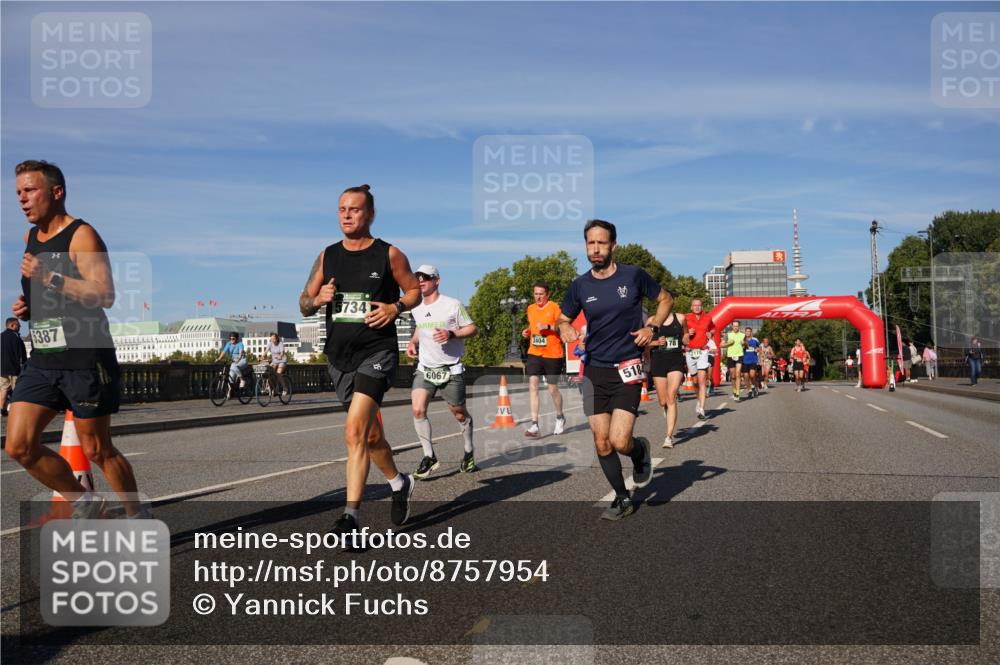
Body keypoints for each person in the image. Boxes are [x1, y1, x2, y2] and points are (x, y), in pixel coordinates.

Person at [6, 160, 147, 518]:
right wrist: (29, 306)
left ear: (57, 192)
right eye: (19, 192)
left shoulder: (82, 235)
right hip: (43, 356)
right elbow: (47, 293)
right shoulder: (30, 238)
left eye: (30, 190)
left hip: (85, 357)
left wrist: (49, 278)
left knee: (98, 449)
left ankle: (136, 514)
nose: (22, 199)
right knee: (18, 446)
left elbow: (105, 294)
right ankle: (84, 500)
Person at [299, 184, 421, 536]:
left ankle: (350, 517)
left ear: (370, 214)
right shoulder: (327, 256)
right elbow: (303, 303)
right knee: (369, 438)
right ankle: (399, 482)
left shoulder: (389, 254)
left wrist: (395, 307)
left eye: (354, 209)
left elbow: (413, 290)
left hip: (377, 353)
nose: (347, 215)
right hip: (340, 357)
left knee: (353, 431)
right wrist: (317, 299)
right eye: (341, 209)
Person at [557, 219, 672, 521]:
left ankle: (639, 452)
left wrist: (652, 326)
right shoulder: (580, 285)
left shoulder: (633, 276)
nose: (595, 249)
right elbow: (563, 318)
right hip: (594, 370)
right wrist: (566, 328)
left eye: (601, 243)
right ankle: (623, 498)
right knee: (601, 440)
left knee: (620, 441)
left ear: (613, 246)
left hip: (627, 368)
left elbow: (665, 299)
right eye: (590, 243)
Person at [406, 264, 479, 479]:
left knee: (459, 414)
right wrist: (413, 341)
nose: (421, 281)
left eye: (426, 278)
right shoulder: (416, 306)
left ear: (437, 280)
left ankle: (468, 451)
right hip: (425, 368)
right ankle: (429, 456)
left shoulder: (452, 305)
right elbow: (421, 326)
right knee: (418, 410)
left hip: (451, 369)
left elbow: (472, 328)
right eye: (418, 277)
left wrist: (451, 334)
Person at [521, 282, 566, 437]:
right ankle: (534, 424)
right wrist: (528, 331)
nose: (538, 296)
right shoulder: (530, 308)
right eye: (535, 293)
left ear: (547, 294)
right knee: (533, 384)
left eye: (541, 294)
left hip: (553, 353)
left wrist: (547, 326)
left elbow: (562, 327)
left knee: (552, 388)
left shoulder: (554, 307)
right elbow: (533, 325)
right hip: (534, 351)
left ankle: (560, 417)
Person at [647, 308, 688, 448]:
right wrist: (656, 342)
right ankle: (666, 408)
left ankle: (668, 437)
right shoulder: (652, 320)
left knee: (671, 397)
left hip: (676, 360)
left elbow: (686, 335)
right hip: (659, 361)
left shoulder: (681, 318)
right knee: (662, 401)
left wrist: (687, 337)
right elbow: (643, 343)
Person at [683, 298, 714, 420]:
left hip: (702, 351)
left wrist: (711, 334)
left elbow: (713, 328)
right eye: (695, 305)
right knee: (695, 382)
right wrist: (686, 333)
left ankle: (701, 409)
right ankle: (698, 400)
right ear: (691, 307)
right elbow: (680, 332)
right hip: (690, 352)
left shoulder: (707, 318)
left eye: (699, 305)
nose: (697, 307)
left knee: (702, 380)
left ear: (702, 307)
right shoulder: (685, 318)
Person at [1, 317, 27, 416]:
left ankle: (1, 410)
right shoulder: (16, 337)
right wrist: (23, 365)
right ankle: (15, 410)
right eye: (18, 325)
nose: (20, 327)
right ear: (12, 325)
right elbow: (20, 354)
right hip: (14, 369)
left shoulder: (1, 336)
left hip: (2, 369)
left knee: (3, 389)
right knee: (17, 390)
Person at [215, 332, 247, 397]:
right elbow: (223, 352)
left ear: (237, 339)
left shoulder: (240, 344)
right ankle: (230, 391)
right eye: (231, 338)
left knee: (234, 366)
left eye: (233, 339)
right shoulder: (228, 344)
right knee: (231, 377)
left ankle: (242, 380)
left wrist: (238, 359)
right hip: (234, 361)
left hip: (242, 360)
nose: (232, 340)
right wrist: (218, 359)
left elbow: (241, 353)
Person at [720, 320, 745, 401]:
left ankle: (737, 394)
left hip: (739, 355)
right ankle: (734, 390)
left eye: (737, 326)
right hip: (730, 356)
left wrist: (744, 344)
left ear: (739, 327)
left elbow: (746, 346)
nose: (735, 327)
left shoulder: (742, 335)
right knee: (733, 376)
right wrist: (728, 343)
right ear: (732, 326)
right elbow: (721, 345)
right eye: (734, 326)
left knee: (738, 375)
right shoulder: (728, 335)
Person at [741, 326, 760, 398]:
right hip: (745, 360)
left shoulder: (755, 340)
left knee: (752, 375)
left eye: (749, 331)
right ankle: (749, 390)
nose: (748, 333)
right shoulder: (743, 340)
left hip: (753, 360)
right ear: (745, 332)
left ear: (751, 332)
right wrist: (743, 346)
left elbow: (759, 347)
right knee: (745, 376)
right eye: (746, 331)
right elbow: (741, 349)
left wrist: (757, 350)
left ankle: (755, 386)